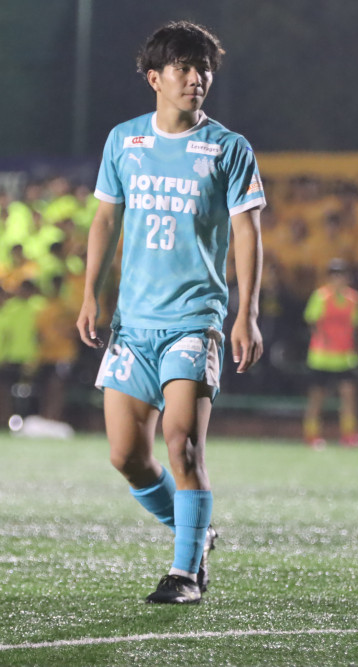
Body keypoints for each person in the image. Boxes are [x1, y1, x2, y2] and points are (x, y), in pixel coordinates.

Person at [76, 21, 265, 604]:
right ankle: (196, 532)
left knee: (181, 442)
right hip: (133, 325)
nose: (196, 78)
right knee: (127, 457)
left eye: (203, 68)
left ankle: (186, 573)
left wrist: (246, 312)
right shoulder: (124, 141)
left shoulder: (229, 148)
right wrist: (90, 293)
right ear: (154, 77)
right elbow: (105, 219)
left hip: (194, 320)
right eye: (183, 68)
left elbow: (247, 232)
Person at [302, 259, 358, 449]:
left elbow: (355, 325)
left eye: (341, 275)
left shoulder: (354, 299)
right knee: (317, 397)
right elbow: (312, 321)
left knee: (348, 395)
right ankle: (312, 435)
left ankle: (349, 434)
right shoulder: (320, 297)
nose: (338, 279)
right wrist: (324, 339)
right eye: (334, 275)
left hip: (345, 356)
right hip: (321, 357)